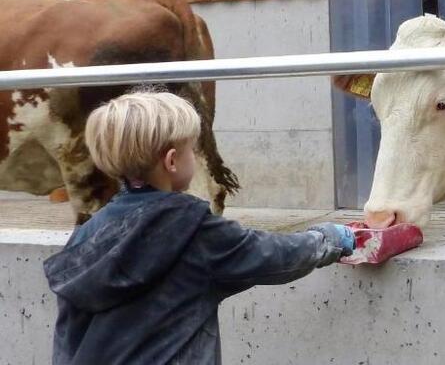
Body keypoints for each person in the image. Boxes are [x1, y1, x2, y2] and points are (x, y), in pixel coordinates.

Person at [43, 90, 355, 364]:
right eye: (191, 148)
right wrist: (333, 238)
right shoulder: (193, 231)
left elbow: (67, 340)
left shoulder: (86, 237)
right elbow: (277, 256)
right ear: (172, 162)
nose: (195, 155)